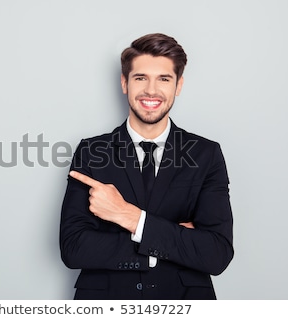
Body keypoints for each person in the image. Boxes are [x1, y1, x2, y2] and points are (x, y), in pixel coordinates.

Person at [59, 33, 234, 300]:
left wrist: (127, 216)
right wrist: (173, 240)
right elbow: (74, 248)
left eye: (164, 79)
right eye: (141, 78)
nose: (151, 90)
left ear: (178, 85)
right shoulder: (92, 151)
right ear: (124, 83)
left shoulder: (206, 154)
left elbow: (216, 253)